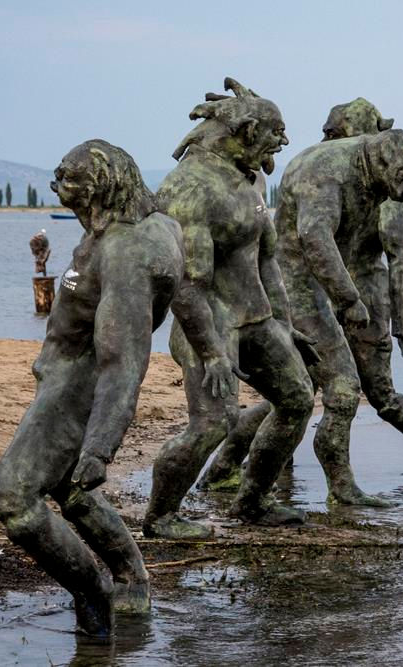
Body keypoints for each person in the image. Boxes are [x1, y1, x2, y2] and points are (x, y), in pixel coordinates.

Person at [200, 98, 403, 496]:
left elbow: (397, 260)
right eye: (330, 134)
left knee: (327, 391)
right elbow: (313, 238)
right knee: (325, 389)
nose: (328, 140)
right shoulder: (328, 170)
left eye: (334, 133)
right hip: (307, 290)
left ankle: (236, 474)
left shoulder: (385, 185)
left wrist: (402, 327)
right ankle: (320, 484)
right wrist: (348, 300)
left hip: (353, 296)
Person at [0, 140, 183, 637]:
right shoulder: (129, 229)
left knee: (15, 497)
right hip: (62, 373)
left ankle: (93, 594)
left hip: (78, 385)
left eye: (70, 179)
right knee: (70, 489)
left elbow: (123, 360)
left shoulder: (126, 249)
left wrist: (101, 446)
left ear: (102, 184)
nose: (59, 186)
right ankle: (131, 577)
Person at [142, 78, 318, 539]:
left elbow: (267, 260)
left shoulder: (247, 180)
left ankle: (252, 501)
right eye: (276, 132)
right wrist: (212, 351)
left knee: (297, 399)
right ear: (247, 131)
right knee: (212, 424)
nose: (282, 143)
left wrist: (286, 323)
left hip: (256, 317)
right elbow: (187, 286)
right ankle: (161, 516)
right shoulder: (190, 188)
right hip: (209, 324)